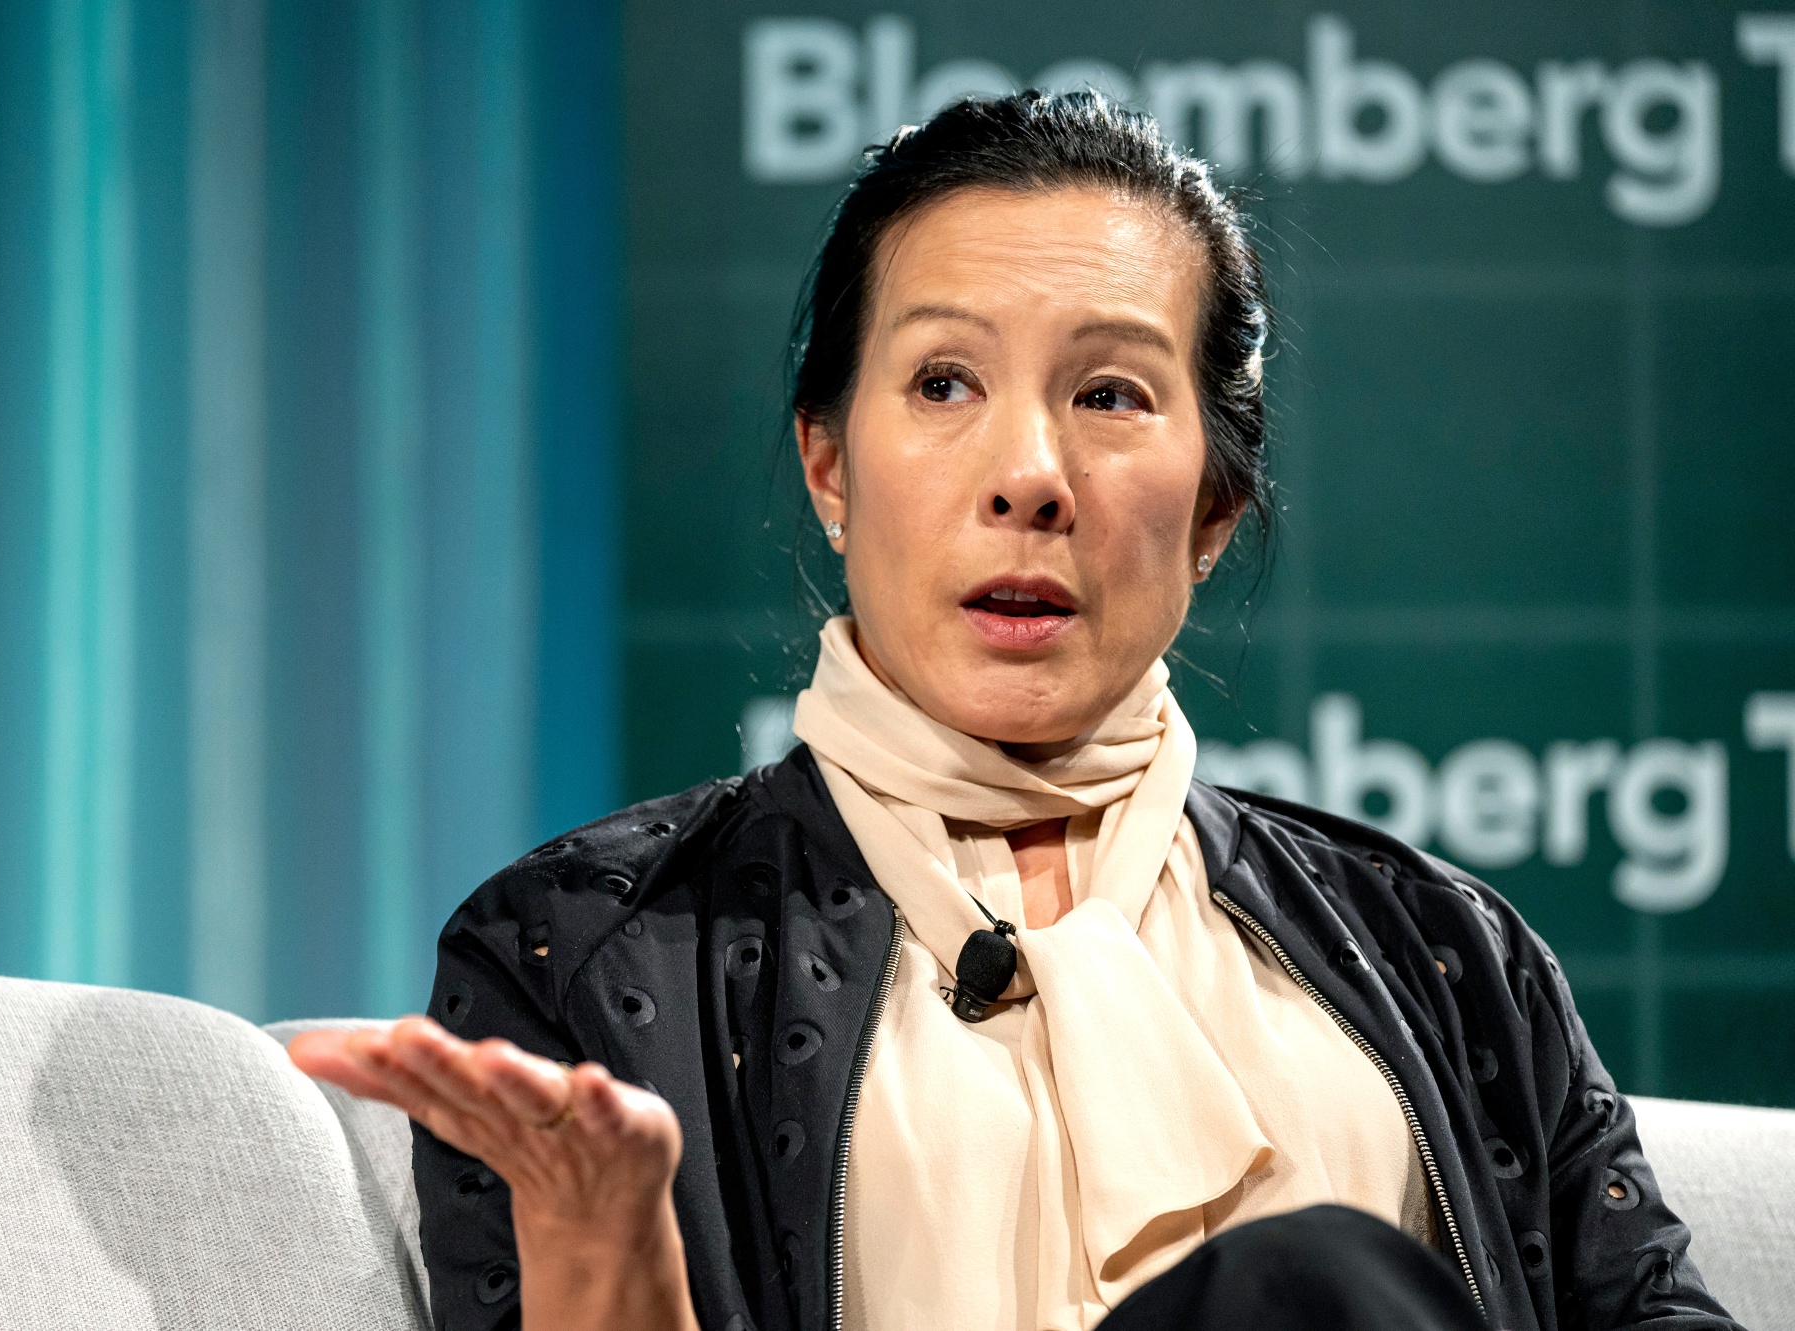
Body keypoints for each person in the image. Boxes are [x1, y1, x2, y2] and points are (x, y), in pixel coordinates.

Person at [289, 92, 1738, 1331]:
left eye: (1110, 394)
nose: (1030, 476)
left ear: (1215, 507)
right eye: (944, 382)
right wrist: (610, 1265)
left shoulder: (1445, 956)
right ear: (829, 467)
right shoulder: (586, 958)